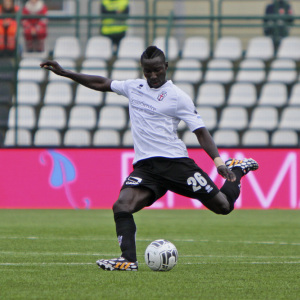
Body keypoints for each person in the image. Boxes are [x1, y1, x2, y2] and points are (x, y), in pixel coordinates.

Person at [40, 46, 259, 271]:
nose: (153, 76)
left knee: (223, 206)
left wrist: (219, 163)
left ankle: (238, 169)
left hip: (175, 164)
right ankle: (128, 260)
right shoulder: (134, 87)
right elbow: (101, 83)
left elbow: (201, 132)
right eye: (148, 72)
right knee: (121, 205)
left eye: (157, 70)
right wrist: (66, 73)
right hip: (146, 168)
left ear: (165, 67)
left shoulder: (177, 97)